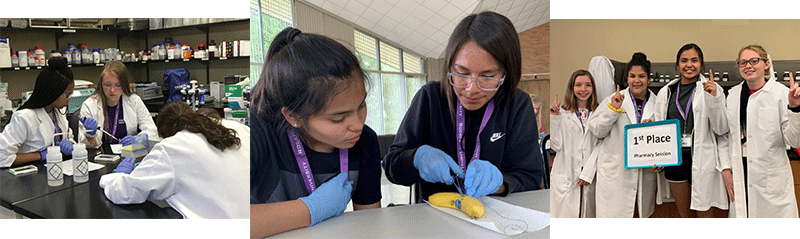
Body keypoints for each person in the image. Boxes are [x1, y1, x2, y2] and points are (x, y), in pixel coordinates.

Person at [382, 11, 544, 202]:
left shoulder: (517, 104)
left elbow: (532, 178)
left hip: (496, 220)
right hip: (435, 220)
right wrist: (416, 158)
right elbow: (392, 167)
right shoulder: (430, 98)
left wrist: (501, 184)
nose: (471, 89)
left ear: (506, 73)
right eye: (461, 73)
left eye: (488, 76)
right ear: (450, 66)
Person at [249, 28, 381, 238]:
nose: (357, 124)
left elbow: (370, 224)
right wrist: (310, 209)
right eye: (338, 118)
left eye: (361, 105)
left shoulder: (365, 141)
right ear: (293, 116)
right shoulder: (256, 135)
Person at [98, 101, 249, 219]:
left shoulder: (171, 147)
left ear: (165, 134)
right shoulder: (237, 127)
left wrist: (115, 176)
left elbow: (127, 191)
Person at [719, 45, 800, 218]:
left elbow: (794, 141)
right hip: (740, 171)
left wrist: (795, 109)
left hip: (769, 178)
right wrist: (725, 169)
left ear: (766, 64)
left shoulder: (781, 94)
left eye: (754, 61)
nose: (748, 66)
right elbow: (726, 136)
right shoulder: (732, 96)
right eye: (743, 62)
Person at [652, 43, 729, 218]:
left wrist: (714, 99)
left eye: (694, 60)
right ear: (677, 65)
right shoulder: (667, 91)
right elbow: (660, 125)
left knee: (704, 213)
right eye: (684, 60)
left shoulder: (713, 89)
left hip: (701, 159)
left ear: (701, 64)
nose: (689, 65)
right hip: (675, 159)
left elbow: (721, 128)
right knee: (684, 214)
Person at [587, 53, 660, 218]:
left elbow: (663, 141)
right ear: (627, 79)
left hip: (644, 176)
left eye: (641, 76)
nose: (636, 80)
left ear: (649, 79)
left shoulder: (658, 103)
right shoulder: (612, 100)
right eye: (632, 76)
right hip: (615, 176)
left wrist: (660, 161)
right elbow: (597, 130)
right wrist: (612, 110)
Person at [0, 57, 87, 167]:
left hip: (57, 168)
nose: (69, 99)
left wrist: (70, 144)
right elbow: (2, 157)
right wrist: (41, 155)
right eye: (66, 95)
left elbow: (67, 138)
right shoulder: (24, 117)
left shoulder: (58, 111)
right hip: (30, 177)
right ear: (52, 92)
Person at [549, 69, 600, 218]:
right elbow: (555, 145)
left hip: (590, 175)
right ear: (572, 88)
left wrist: (588, 172)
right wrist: (555, 118)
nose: (583, 89)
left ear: (593, 89)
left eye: (588, 85)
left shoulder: (598, 115)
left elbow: (600, 146)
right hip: (566, 175)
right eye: (578, 85)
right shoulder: (563, 114)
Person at [80, 61, 157, 150]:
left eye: (118, 85)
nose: (112, 90)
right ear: (101, 84)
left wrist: (139, 139)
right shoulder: (89, 105)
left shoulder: (134, 101)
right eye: (107, 85)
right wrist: (90, 135)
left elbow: (152, 130)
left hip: (129, 154)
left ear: (124, 85)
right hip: (100, 157)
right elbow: (82, 143)